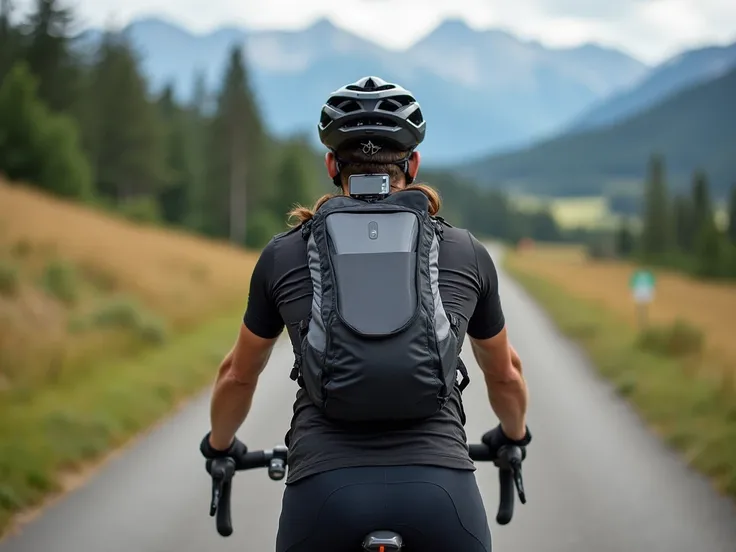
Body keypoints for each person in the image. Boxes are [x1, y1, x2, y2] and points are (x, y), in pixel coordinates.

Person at [199, 76, 531, 552]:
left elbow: (237, 375)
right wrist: (512, 437)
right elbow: (505, 374)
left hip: (324, 492)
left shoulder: (285, 254)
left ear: (333, 164)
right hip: (439, 493)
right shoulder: (463, 251)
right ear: (412, 164)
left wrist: (219, 445)